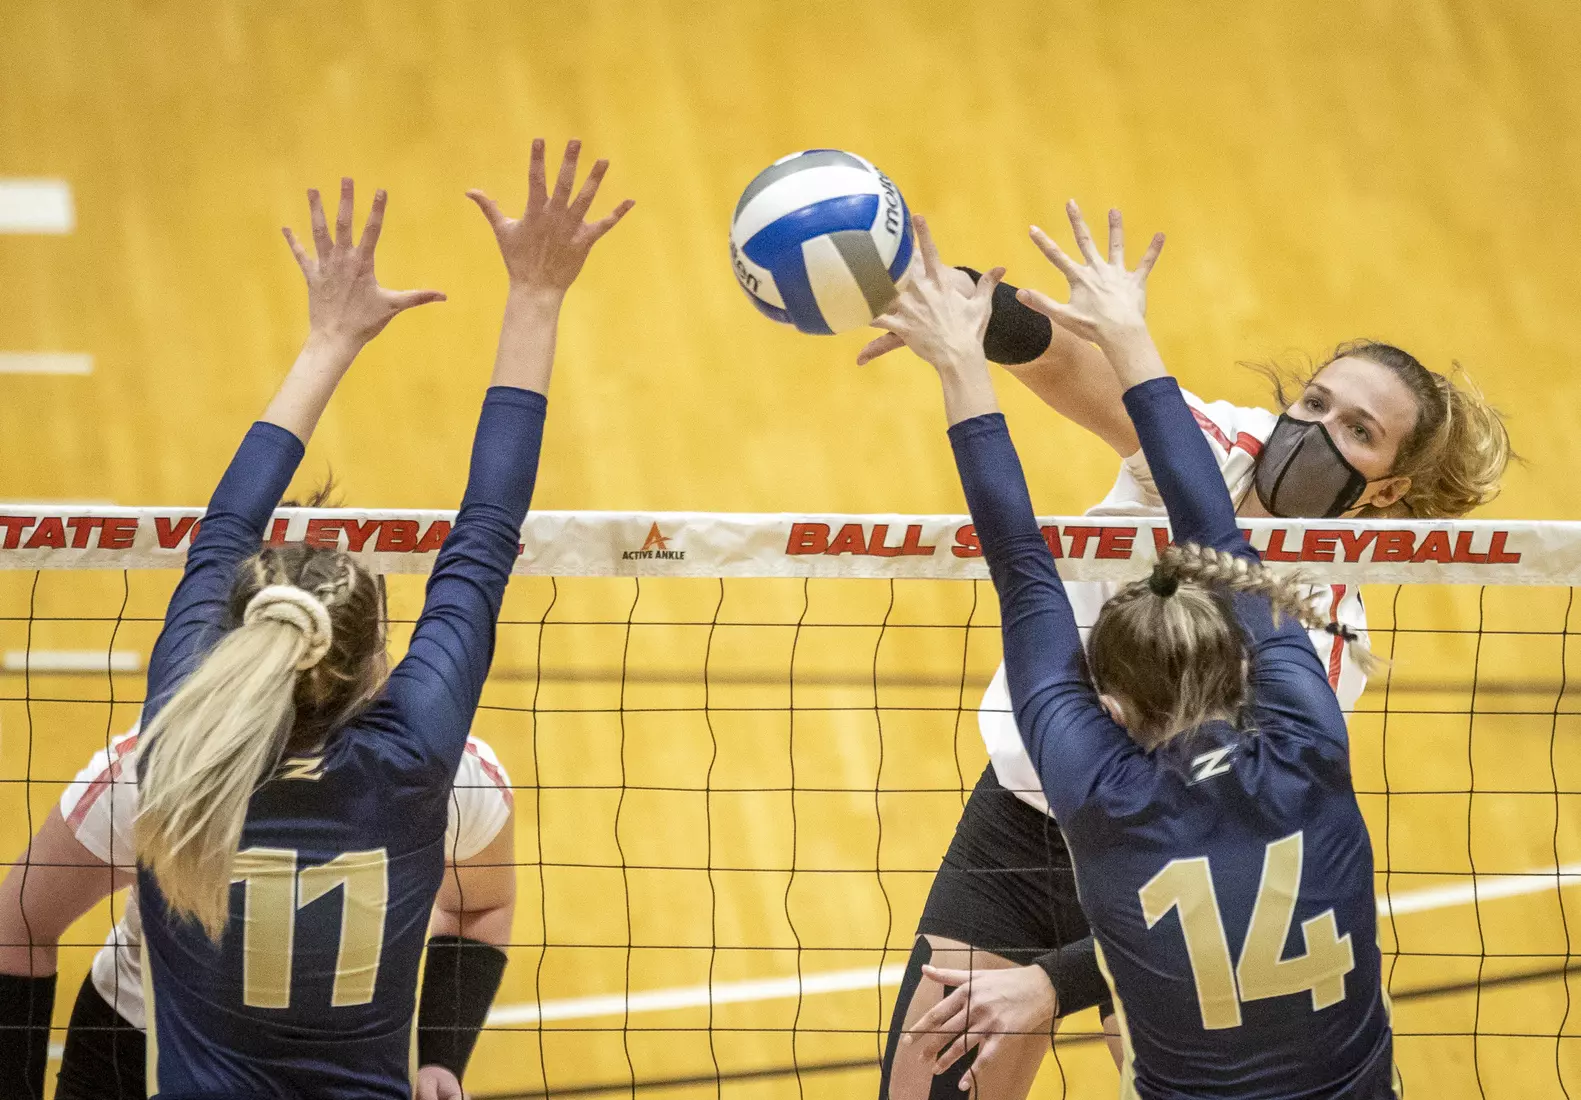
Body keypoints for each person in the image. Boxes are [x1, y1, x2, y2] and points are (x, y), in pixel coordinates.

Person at [868, 230, 1511, 1095]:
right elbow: (1055, 355)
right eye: (1314, 403)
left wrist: (1056, 983)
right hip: (1024, 823)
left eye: (1356, 432)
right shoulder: (1221, 445)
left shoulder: (1319, 627)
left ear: (1388, 488)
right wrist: (923, 284)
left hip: (1175, 865)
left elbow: (1234, 854)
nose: (1314, 431)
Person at [101, 140, 626, 1100]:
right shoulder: (412, 755)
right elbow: (488, 529)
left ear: (243, 627)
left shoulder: (178, 733)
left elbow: (225, 526)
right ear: (373, 664)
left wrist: (328, 339)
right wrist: (536, 294)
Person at [0, 713, 516, 1100]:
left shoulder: (446, 769)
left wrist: (441, 1059)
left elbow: (480, 906)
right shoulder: (159, 767)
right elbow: (18, 921)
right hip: (141, 1054)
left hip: (349, 1068)